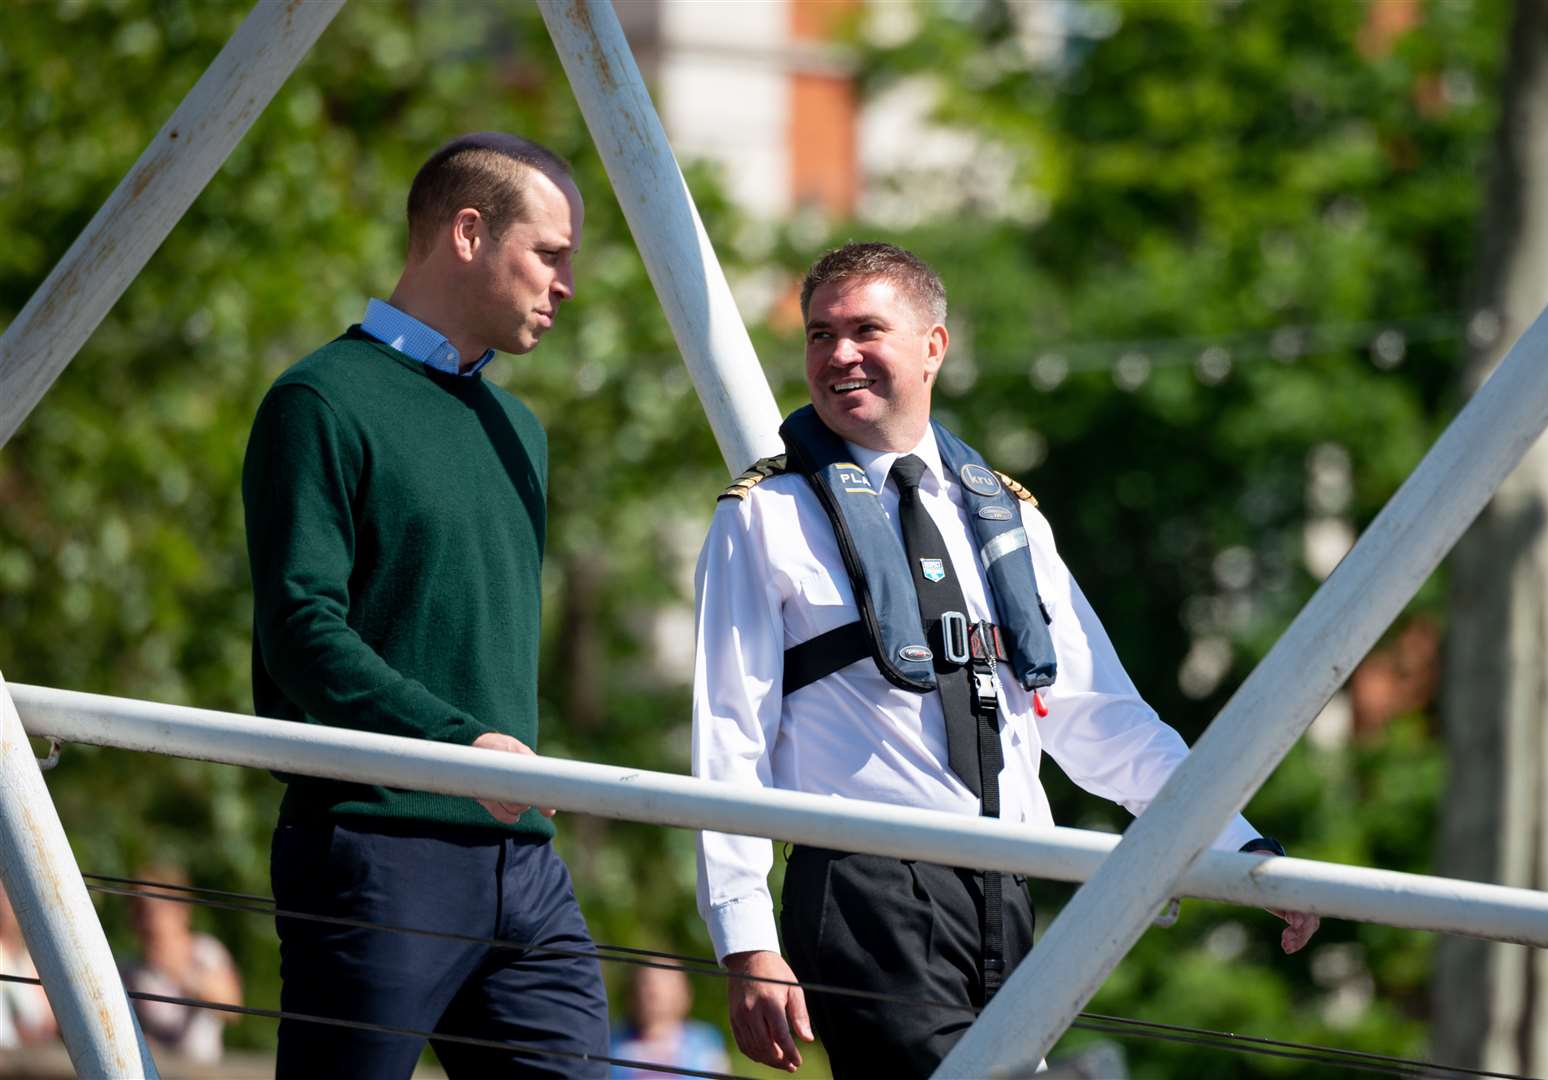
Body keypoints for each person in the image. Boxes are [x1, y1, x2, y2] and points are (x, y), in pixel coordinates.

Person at [691, 241, 1320, 1077]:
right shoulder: (763, 516)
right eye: (819, 334)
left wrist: (1238, 845)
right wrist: (745, 940)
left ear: (933, 346)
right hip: (867, 889)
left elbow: (1104, 721)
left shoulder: (1006, 519)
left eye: (865, 329)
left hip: (1010, 888)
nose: (838, 354)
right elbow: (727, 736)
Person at [243, 132, 609, 1078]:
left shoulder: (519, 428)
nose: (566, 283)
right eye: (550, 254)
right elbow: (300, 633)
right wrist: (458, 747)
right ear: (469, 232)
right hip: (375, 846)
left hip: (523, 854)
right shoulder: (321, 400)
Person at [124, 865, 242, 1063]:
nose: (146, 920)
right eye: (139, 910)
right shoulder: (129, 971)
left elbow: (231, 1007)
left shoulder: (205, 953)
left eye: (153, 909)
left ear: (180, 910)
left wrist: (180, 974)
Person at [607, 966, 730, 1079]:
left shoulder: (705, 1040)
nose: (653, 991)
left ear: (683, 993)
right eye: (646, 984)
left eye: (664, 984)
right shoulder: (611, 1044)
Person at [0, 885, 55, 1050]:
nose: (4, 908)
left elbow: (50, 1021)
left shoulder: (32, 960)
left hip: (35, 1058)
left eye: (6, 898)